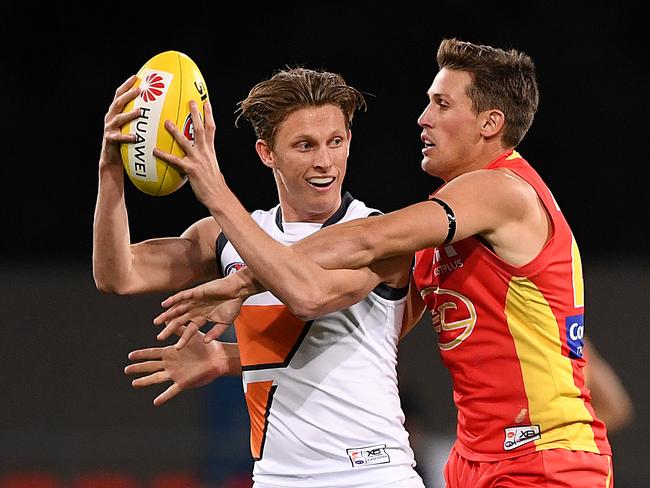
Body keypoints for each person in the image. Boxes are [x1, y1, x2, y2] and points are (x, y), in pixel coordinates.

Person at [150, 38, 615, 487]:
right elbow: (361, 338)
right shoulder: (450, 234)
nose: (422, 118)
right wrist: (228, 358)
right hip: (475, 459)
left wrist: (242, 279)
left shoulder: (502, 188)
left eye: (441, 104)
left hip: (544, 455)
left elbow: (368, 238)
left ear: (489, 123)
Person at [95, 67, 425, 488]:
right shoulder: (230, 237)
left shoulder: (375, 234)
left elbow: (307, 294)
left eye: (335, 142)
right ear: (267, 153)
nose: (324, 160)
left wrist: (214, 189)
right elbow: (117, 274)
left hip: (373, 474)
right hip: (275, 479)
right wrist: (110, 169)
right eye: (305, 145)